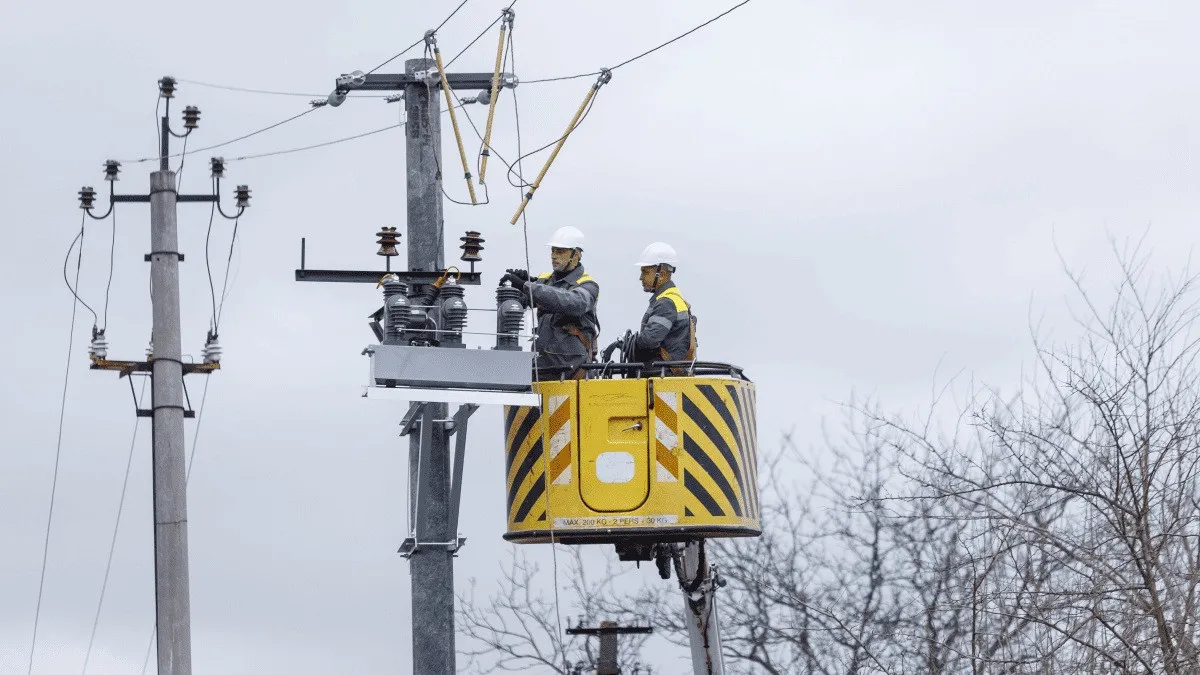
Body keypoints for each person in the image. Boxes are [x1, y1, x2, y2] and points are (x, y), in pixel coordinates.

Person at [500, 226, 601, 380]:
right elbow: (527, 299)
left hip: (572, 372)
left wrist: (527, 286)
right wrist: (517, 287)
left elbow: (572, 302)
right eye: (553, 251)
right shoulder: (545, 280)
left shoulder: (588, 285)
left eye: (560, 252)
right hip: (543, 368)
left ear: (576, 254)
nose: (554, 256)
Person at [625, 242, 696, 371]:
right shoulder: (673, 298)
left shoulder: (666, 302)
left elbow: (649, 340)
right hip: (669, 372)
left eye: (645, 272)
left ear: (661, 274)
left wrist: (628, 343)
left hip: (665, 373)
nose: (641, 278)